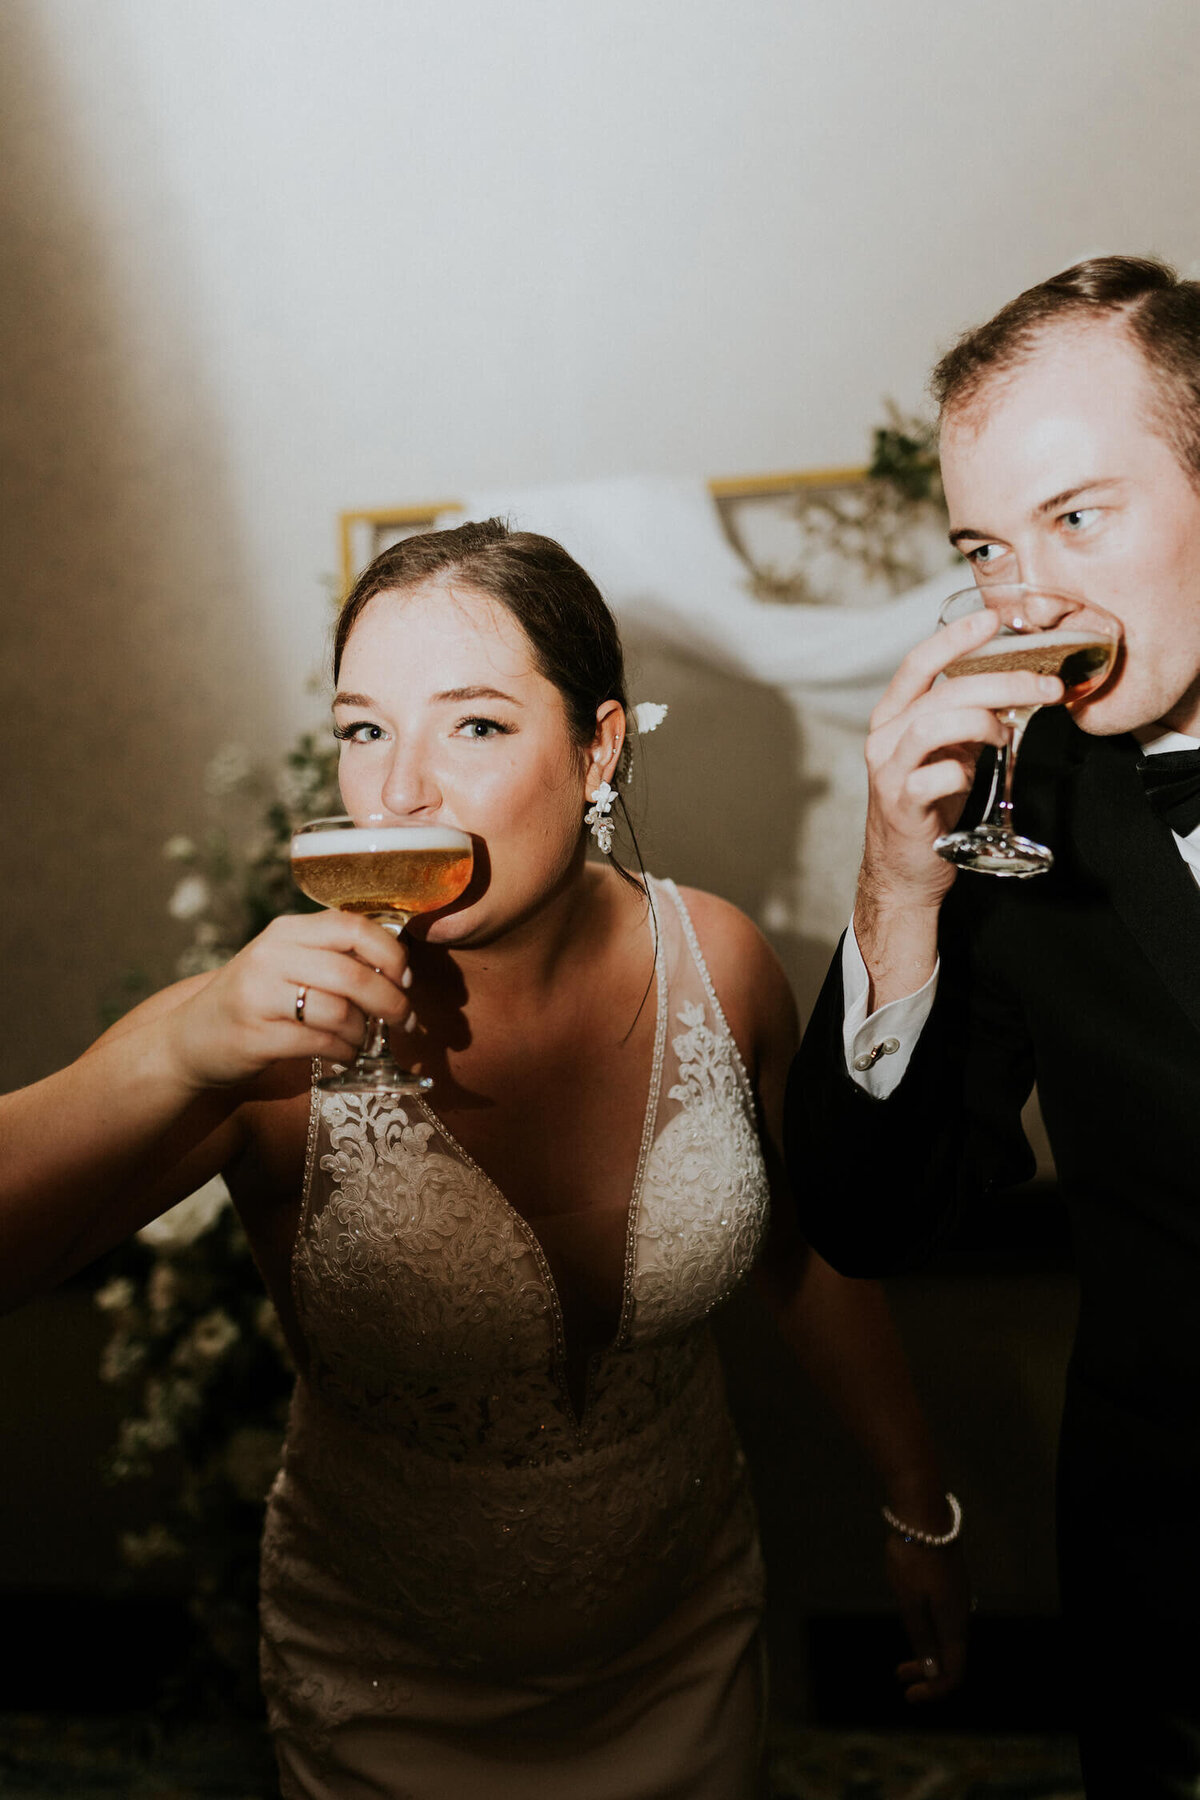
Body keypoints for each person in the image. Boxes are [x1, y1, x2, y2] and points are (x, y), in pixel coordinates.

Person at [2, 520, 966, 1797]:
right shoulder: (273, 1035)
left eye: (474, 727)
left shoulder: (719, 965)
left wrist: (915, 1496)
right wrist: (182, 1046)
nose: (399, 793)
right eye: (362, 730)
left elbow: (804, 1254)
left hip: (685, 1645)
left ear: (598, 749)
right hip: (390, 1697)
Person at [786, 255, 1200, 1798]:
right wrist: (898, 883)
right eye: (985, 547)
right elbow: (868, 1217)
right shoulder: (1019, 813)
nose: (1029, 601)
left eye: (1079, 516)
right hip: (1180, 1600)